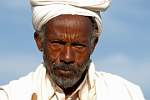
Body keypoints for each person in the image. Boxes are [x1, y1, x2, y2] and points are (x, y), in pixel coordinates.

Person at [0, 0, 145, 100]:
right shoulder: (12, 95)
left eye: (78, 46)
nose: (67, 57)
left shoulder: (125, 94)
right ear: (39, 41)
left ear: (93, 44)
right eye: (57, 44)